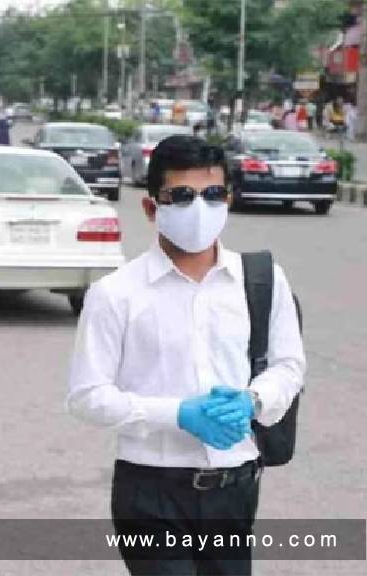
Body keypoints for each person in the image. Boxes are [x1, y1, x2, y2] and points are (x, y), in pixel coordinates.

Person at [67, 135, 305, 576]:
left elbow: (288, 366)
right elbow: (86, 396)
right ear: (151, 207)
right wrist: (176, 414)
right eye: (181, 196)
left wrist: (252, 401)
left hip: (234, 487)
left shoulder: (263, 280)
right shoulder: (115, 294)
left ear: (228, 199)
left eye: (213, 194)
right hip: (151, 489)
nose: (200, 207)